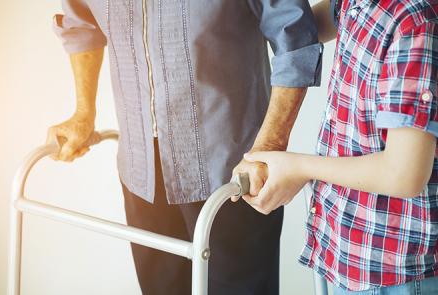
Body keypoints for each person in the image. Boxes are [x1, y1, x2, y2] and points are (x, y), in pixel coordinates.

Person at [47, 1, 323, 294]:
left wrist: (271, 144)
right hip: (140, 175)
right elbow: (81, 25)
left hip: (233, 175)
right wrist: (83, 114)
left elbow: (293, 33)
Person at [237, 0, 438, 294]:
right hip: (347, 253)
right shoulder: (354, 3)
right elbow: (301, 29)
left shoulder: (414, 21)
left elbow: (404, 173)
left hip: (393, 267)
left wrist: (299, 167)